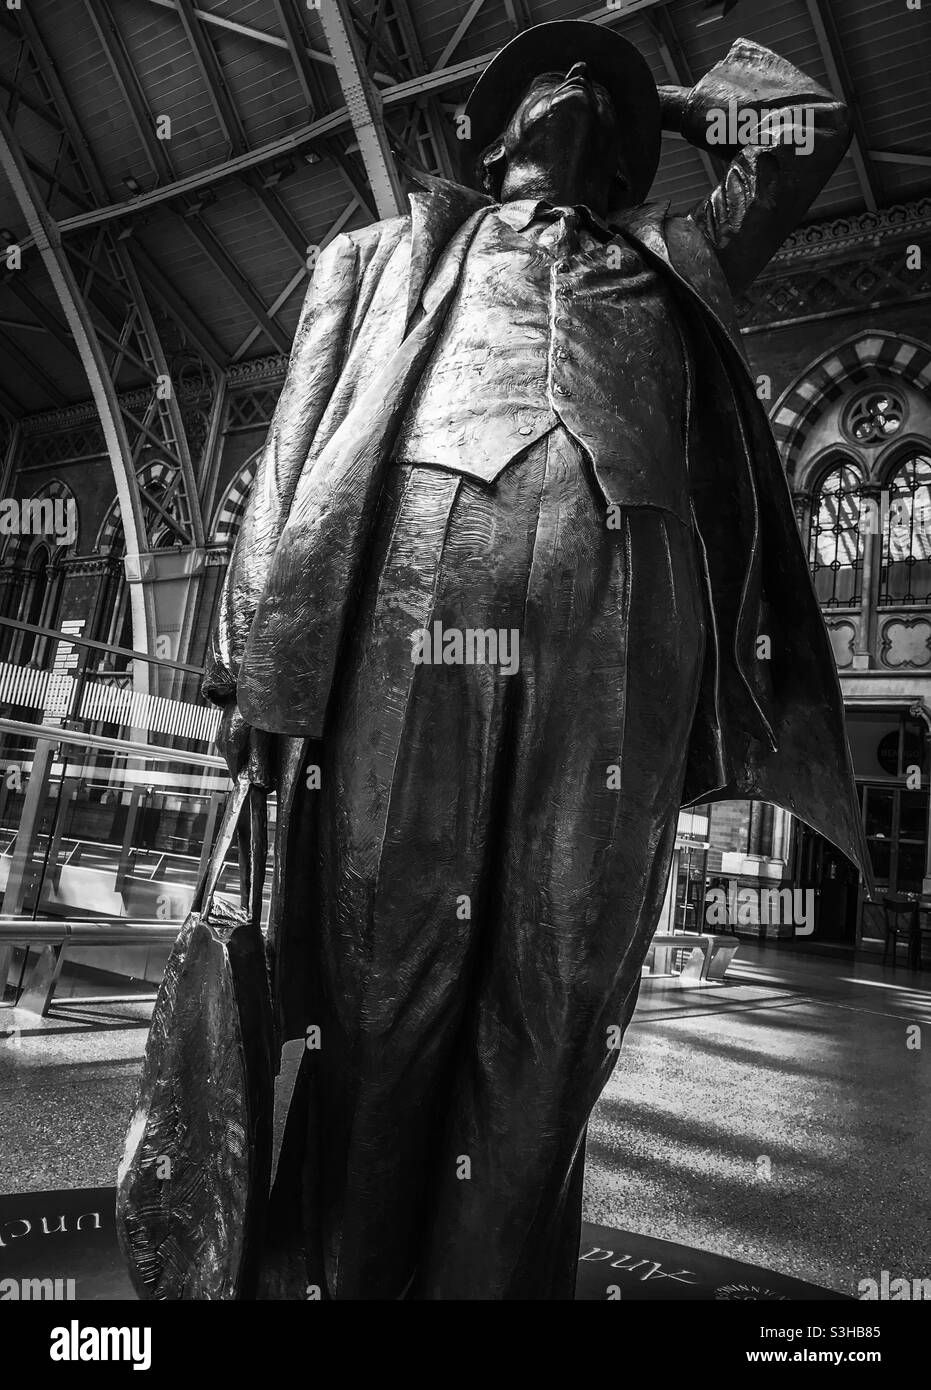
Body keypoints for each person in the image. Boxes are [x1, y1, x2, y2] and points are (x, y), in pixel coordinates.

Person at [202, 20, 868, 1299]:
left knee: (557, 996)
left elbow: (811, 122)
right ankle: (342, 1278)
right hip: (411, 596)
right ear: (485, 136)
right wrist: (257, 667)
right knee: (385, 979)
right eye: (527, 90)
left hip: (628, 617)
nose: (556, 97)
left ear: (623, 153)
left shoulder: (679, 258)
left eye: (584, 98)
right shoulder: (377, 259)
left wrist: (658, 101)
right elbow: (283, 469)